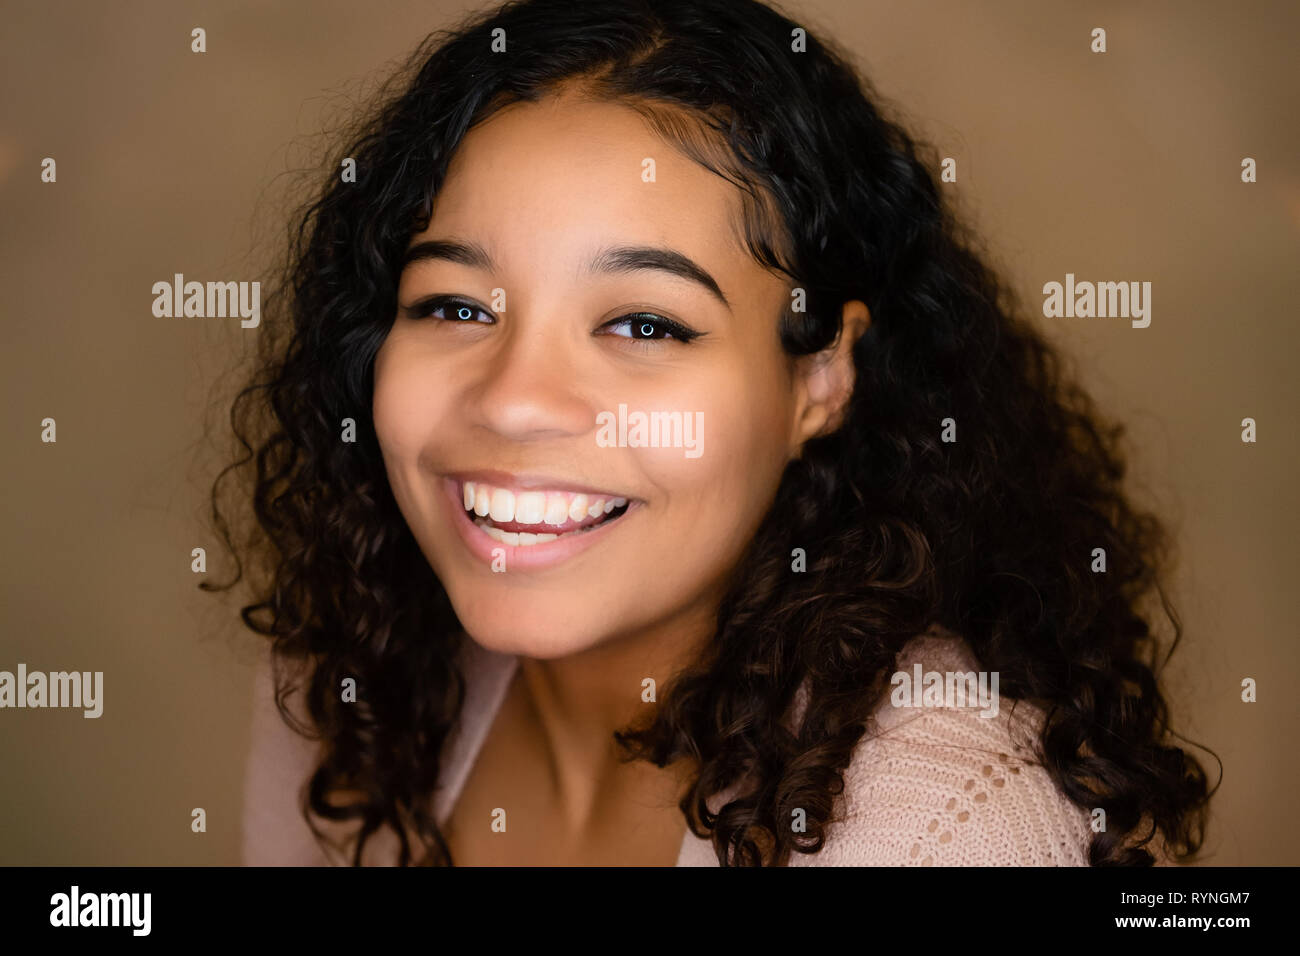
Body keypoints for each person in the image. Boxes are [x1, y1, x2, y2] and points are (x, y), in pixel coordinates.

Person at [211, 0, 1213, 866]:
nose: (513, 400)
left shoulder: (951, 826)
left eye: (644, 322)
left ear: (819, 378)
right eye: (455, 306)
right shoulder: (354, 674)